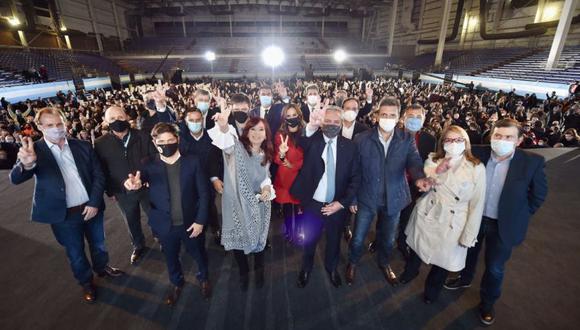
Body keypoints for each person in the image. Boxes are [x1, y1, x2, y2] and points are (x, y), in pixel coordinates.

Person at [9, 107, 123, 303]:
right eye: (50, 125)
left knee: (99, 244)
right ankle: (86, 282)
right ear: (40, 127)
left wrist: (95, 202)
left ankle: (102, 268)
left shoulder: (83, 145)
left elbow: (98, 175)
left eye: (59, 124)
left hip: (91, 208)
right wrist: (27, 164)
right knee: (76, 253)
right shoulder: (34, 151)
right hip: (64, 216)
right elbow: (16, 179)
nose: (56, 128)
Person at [444, 119, 548, 325]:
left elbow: (538, 195)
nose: (502, 140)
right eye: (498, 136)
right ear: (491, 136)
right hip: (475, 218)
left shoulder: (532, 162)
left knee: (495, 267)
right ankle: (465, 278)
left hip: (503, 225)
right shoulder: (477, 154)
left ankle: (488, 302)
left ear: (518, 141)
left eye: (508, 137)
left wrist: (520, 214)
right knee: (469, 251)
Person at [345, 96, 429, 287]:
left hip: (394, 198)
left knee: (389, 239)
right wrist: (353, 198)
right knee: (358, 237)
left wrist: (420, 178)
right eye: (384, 114)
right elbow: (354, 171)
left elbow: (414, 163)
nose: (387, 118)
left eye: (392, 115)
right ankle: (353, 262)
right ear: (377, 115)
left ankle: (384, 263)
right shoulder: (362, 139)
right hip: (366, 197)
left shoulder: (406, 140)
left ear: (398, 117)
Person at [124, 122, 211, 305]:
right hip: (164, 225)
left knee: (198, 253)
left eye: (170, 140)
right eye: (161, 141)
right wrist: (134, 185)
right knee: (171, 257)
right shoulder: (148, 165)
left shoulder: (192, 161)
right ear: (155, 143)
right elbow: (138, 183)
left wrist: (200, 221)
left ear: (177, 140)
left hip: (191, 223)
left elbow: (204, 194)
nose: (166, 144)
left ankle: (204, 278)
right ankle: (176, 283)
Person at [400, 125, 486, 304]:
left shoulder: (476, 168)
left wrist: (469, 234)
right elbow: (428, 181)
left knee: (442, 262)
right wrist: (437, 173)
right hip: (429, 213)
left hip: (454, 220)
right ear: (442, 142)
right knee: (416, 249)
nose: (453, 143)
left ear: (465, 142)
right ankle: (409, 272)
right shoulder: (433, 159)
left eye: (458, 140)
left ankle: (431, 291)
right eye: (448, 140)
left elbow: (477, 204)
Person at [208, 94, 275, 291]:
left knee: (259, 239)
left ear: (266, 133)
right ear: (246, 131)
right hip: (235, 203)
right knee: (239, 241)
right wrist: (223, 126)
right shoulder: (236, 147)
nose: (256, 133)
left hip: (259, 203)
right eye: (252, 129)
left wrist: (266, 187)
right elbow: (225, 141)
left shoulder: (266, 153)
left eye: (261, 130)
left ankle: (259, 271)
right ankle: (244, 273)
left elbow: (265, 176)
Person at [291, 105, 360, 289]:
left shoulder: (351, 147)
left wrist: (342, 203)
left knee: (334, 241)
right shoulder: (312, 141)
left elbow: (355, 179)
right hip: (313, 203)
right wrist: (312, 126)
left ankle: (331, 268)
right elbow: (299, 140)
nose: (331, 124)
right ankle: (306, 268)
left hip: (336, 205)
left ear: (342, 123)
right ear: (322, 122)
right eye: (327, 121)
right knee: (310, 240)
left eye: (336, 122)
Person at [94, 106, 157, 264]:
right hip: (121, 191)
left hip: (147, 187)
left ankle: (160, 237)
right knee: (130, 219)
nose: (117, 121)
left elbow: (154, 160)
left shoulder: (143, 136)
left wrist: (146, 178)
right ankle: (138, 245)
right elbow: (102, 169)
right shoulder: (101, 143)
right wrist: (111, 191)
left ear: (127, 117)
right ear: (106, 122)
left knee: (155, 215)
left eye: (120, 117)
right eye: (112, 119)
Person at [179, 107, 222, 245]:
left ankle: (216, 230)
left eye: (198, 120)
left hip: (208, 180)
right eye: (191, 120)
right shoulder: (181, 139)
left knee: (210, 206)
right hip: (189, 181)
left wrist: (215, 177)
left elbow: (215, 160)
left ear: (202, 120)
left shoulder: (211, 136)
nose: (195, 123)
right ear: (186, 122)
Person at [340, 97, 370, 242]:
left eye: (354, 109)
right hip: (335, 172)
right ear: (342, 110)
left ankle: (346, 225)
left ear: (358, 111)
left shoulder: (364, 130)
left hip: (353, 173)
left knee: (349, 200)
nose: (350, 111)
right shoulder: (334, 125)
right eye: (347, 108)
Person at [273, 104, 305, 242]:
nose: (292, 118)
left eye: (294, 115)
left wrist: (294, 165)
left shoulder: (306, 132)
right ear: (284, 118)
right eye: (288, 116)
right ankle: (289, 231)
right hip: (285, 178)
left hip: (300, 176)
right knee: (287, 208)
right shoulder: (279, 134)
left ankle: (298, 230)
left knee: (299, 208)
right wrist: (281, 155)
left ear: (299, 115)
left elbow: (310, 157)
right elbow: (276, 158)